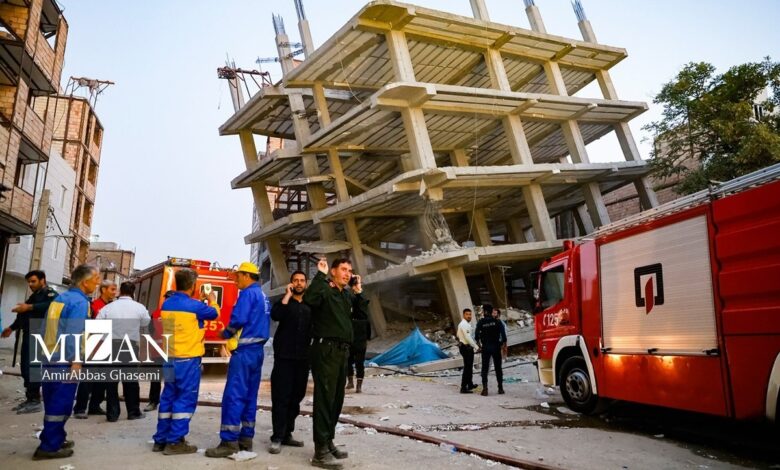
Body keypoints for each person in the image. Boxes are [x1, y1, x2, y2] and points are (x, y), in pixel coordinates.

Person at [304, 258, 369, 470]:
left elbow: (362, 315)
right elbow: (309, 298)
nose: (347, 273)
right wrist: (320, 275)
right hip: (326, 350)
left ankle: (328, 441)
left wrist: (358, 292)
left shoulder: (346, 295)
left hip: (342, 352)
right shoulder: (325, 289)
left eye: (350, 270)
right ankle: (320, 451)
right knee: (325, 399)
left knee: (336, 400)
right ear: (333, 271)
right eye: (343, 269)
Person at [33, 264, 100, 460]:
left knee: (52, 401)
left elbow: (45, 328)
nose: (97, 283)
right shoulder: (80, 303)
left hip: (50, 356)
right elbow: (74, 334)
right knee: (61, 404)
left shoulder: (60, 299)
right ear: (85, 282)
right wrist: (76, 361)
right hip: (64, 360)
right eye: (96, 279)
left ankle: (54, 437)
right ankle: (49, 447)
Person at [205, 262, 270, 458]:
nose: (235, 280)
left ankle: (228, 441)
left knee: (234, 395)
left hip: (244, 352)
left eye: (238, 276)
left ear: (246, 275)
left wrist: (225, 333)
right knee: (250, 396)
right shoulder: (262, 295)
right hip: (257, 352)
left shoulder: (247, 294)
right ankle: (246, 439)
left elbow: (239, 319)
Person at [152, 268, 219, 455]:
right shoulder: (195, 306)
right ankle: (175, 442)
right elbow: (214, 314)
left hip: (170, 358)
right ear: (193, 285)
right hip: (188, 359)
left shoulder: (167, 304)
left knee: (168, 398)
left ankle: (161, 440)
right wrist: (212, 300)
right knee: (184, 399)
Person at [1, 270, 58, 414]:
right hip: (28, 334)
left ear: (42, 280)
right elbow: (24, 315)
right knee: (26, 367)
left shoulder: (50, 294)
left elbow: (53, 305)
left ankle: (35, 401)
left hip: (39, 334)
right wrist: (11, 328)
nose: (30, 284)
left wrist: (29, 307)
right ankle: (30, 397)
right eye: (29, 282)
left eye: (33, 281)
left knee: (33, 368)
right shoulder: (34, 296)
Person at [268, 270, 311, 454]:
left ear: (306, 284)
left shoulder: (310, 304)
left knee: (296, 397)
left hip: (303, 358)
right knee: (281, 397)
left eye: (302, 280)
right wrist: (287, 295)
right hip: (284, 358)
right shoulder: (284, 302)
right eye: (296, 280)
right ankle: (277, 437)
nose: (299, 283)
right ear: (291, 283)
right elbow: (276, 315)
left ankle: (287, 434)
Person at [97, 281, 150, 421]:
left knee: (111, 382)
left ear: (120, 291)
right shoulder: (139, 308)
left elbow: (97, 323)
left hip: (111, 345)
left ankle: (112, 414)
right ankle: (133, 412)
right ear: (133, 292)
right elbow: (146, 322)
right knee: (130, 381)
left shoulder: (108, 307)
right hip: (129, 346)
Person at [72, 279, 116, 419]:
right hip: (94, 344)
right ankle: (80, 408)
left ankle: (95, 405)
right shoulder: (95, 306)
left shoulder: (110, 307)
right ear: (103, 290)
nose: (115, 293)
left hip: (105, 345)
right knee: (88, 378)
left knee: (101, 379)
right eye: (112, 289)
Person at [145, 290, 175, 412]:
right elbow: (150, 330)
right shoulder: (156, 313)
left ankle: (169, 403)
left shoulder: (178, 314)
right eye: (167, 298)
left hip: (172, 352)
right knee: (155, 379)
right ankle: (153, 401)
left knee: (171, 380)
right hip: (158, 351)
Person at [474, 304, 506, 396]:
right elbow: (504, 337)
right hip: (496, 347)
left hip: (486, 348)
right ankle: (500, 388)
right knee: (498, 368)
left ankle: (485, 389)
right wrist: (501, 344)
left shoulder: (481, 322)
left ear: (485, 312)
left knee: (485, 368)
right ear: (491, 312)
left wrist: (480, 346)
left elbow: (476, 336)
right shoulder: (497, 322)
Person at [346, 303, 370, 394]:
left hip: (351, 344)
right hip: (361, 345)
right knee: (359, 365)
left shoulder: (348, 320)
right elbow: (369, 335)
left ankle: (350, 382)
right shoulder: (366, 320)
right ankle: (358, 386)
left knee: (348, 363)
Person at [456, 308, 479, 394]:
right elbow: (468, 337)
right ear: (463, 315)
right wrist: (476, 347)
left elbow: (458, 334)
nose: (469, 316)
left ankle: (470, 384)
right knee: (467, 368)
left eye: (470, 314)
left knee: (469, 367)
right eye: (467, 314)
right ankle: (463, 387)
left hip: (466, 347)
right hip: (466, 348)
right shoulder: (464, 324)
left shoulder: (463, 324)